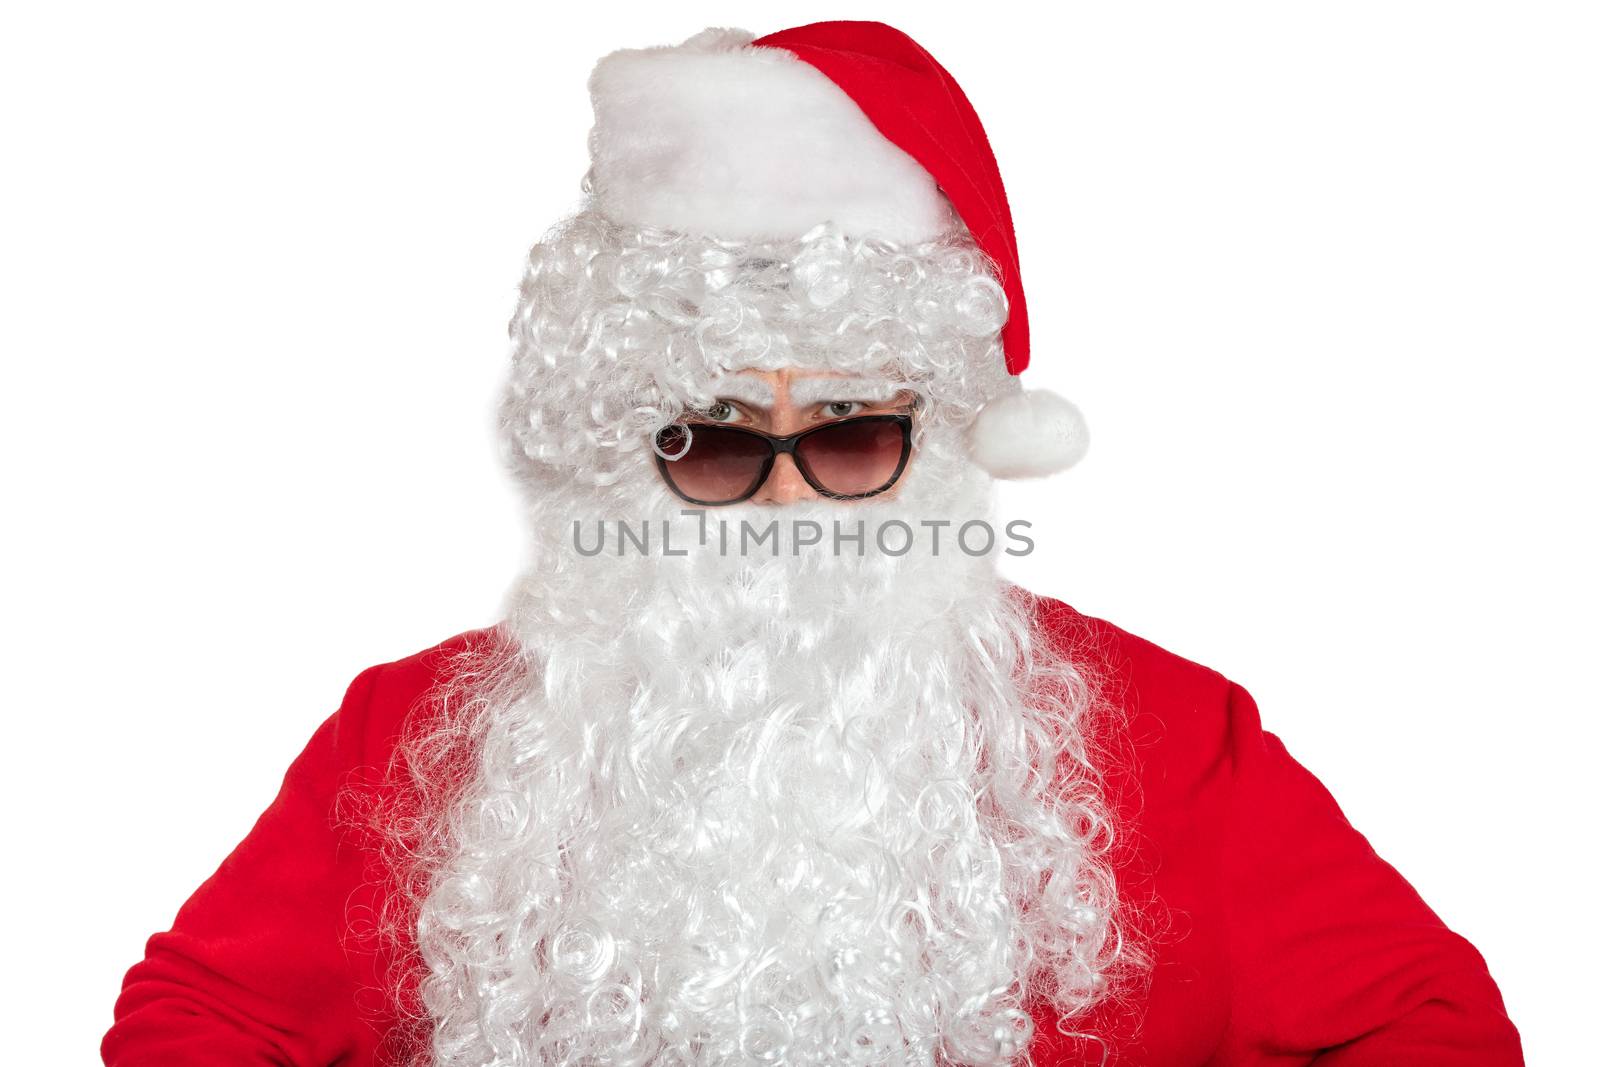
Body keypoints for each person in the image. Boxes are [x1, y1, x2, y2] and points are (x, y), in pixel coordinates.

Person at [100, 20, 1523, 1067]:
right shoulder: (419, 735)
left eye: (852, 437)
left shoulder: (1167, 738)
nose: (787, 505)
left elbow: (1433, 1032)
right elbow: (194, 1027)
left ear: (946, 439)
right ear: (629, 446)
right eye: (714, 440)